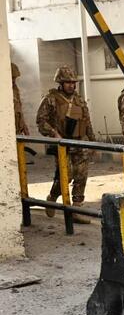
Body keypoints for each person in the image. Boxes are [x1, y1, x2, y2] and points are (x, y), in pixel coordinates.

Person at [36, 66, 95, 224]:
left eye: (73, 82)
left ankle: (76, 210)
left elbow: (87, 121)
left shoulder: (79, 100)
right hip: (62, 144)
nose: (71, 85)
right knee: (66, 175)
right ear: (60, 83)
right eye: (68, 82)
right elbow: (41, 121)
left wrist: (93, 141)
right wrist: (54, 134)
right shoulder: (50, 99)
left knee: (81, 175)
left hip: (79, 142)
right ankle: (53, 197)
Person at [11, 62, 29, 135]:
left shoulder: (15, 89)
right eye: (12, 78)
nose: (14, 80)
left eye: (15, 78)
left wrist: (24, 125)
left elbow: (19, 108)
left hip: (18, 129)